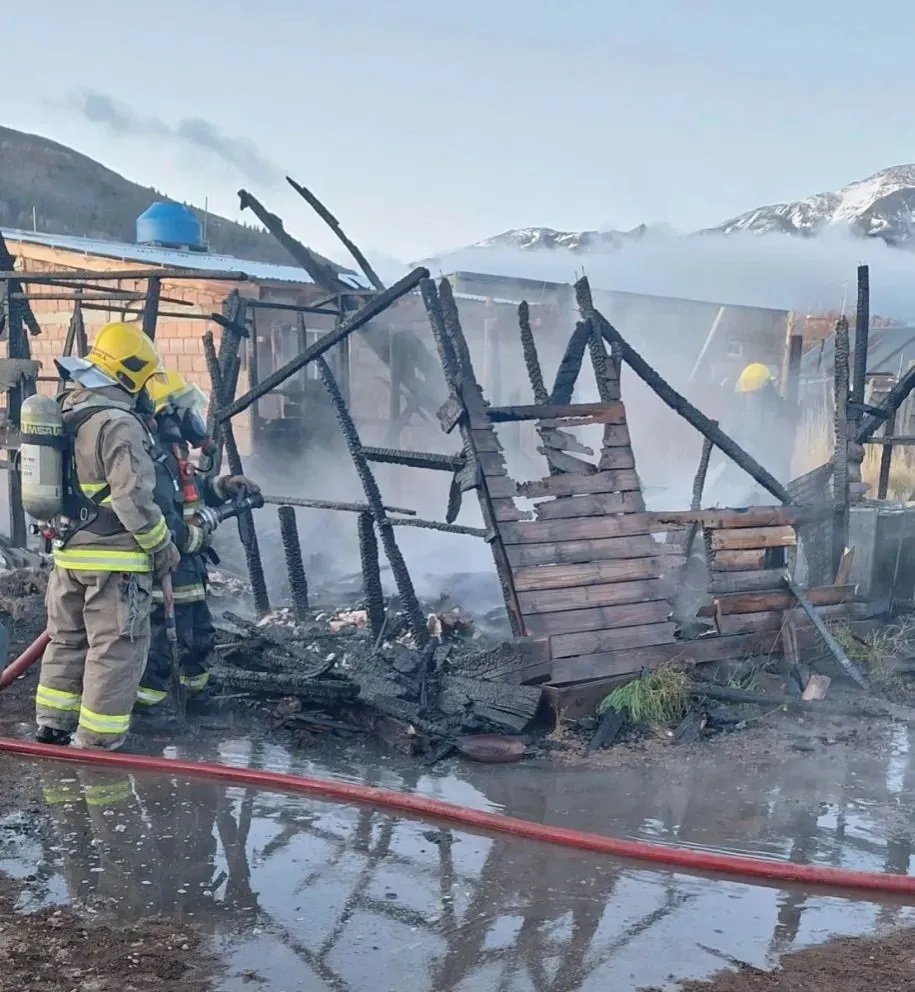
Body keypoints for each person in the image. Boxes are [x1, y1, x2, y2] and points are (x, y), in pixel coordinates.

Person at [35, 321, 181, 751]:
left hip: (68, 554)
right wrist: (162, 547)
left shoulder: (67, 410)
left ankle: (52, 724)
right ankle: (99, 741)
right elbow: (131, 499)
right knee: (115, 648)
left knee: (66, 639)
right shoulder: (119, 422)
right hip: (115, 561)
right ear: (133, 374)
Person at [133, 369, 260, 727]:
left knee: (197, 634)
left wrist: (222, 486)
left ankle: (196, 698)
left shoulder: (172, 453)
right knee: (160, 640)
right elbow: (162, 516)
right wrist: (197, 537)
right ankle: (148, 710)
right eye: (186, 409)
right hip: (167, 569)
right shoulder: (151, 459)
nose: (194, 418)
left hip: (188, 569)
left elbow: (190, 491)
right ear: (166, 415)